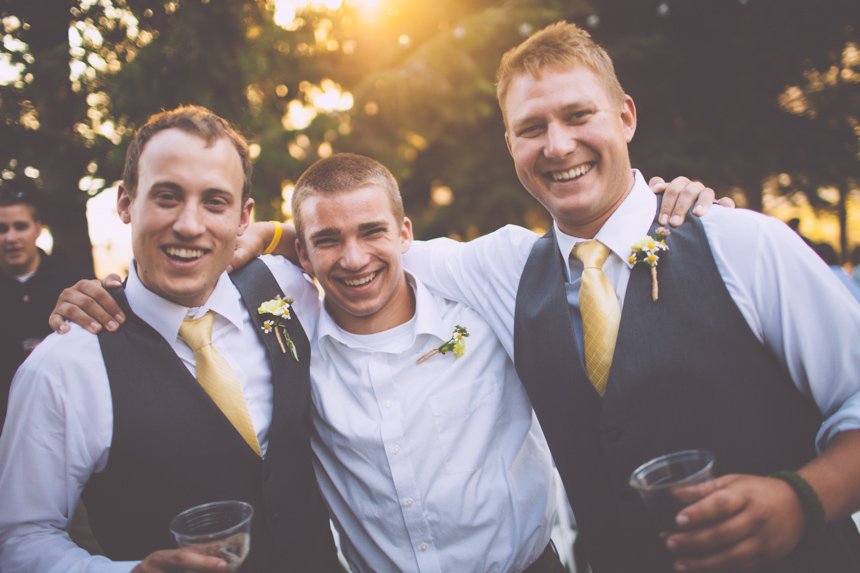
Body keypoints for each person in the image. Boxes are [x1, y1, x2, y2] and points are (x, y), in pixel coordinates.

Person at [397, 21, 860, 573]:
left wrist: (801, 500)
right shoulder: (504, 270)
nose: (558, 144)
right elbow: (360, 250)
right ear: (510, 145)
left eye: (578, 115)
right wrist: (269, 235)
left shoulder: (742, 242)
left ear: (625, 117)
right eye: (531, 128)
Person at [0, 105, 340, 572]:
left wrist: (276, 232)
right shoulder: (63, 367)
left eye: (215, 202)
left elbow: (372, 257)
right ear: (125, 203)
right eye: (167, 196)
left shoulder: (289, 289)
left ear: (243, 216)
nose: (189, 224)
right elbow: (19, 538)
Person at [0, 180, 91, 429]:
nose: (11, 237)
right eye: (2, 228)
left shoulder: (74, 282)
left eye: (20, 226)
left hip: (67, 421)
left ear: (38, 228)